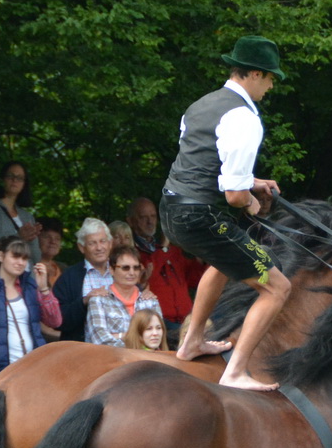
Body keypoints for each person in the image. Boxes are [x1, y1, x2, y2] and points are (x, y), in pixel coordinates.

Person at [157, 37, 296, 389]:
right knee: (277, 287)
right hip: (201, 215)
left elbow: (207, 164)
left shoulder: (202, 105)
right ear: (253, 74)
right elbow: (234, 196)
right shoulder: (245, 118)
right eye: (269, 77)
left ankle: (190, 343)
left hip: (172, 208)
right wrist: (251, 201)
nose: (271, 85)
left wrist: (253, 181)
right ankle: (235, 372)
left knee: (224, 261)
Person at [0, 238, 58, 376]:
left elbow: (55, 321)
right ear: (1, 256)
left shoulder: (30, 286)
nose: (20, 262)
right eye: (15, 256)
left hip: (32, 366)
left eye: (24, 258)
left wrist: (44, 288)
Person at [128, 196, 204, 338]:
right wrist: (163, 249)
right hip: (158, 324)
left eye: (153, 216)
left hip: (186, 320)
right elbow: (149, 276)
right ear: (131, 221)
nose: (150, 222)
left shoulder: (172, 250)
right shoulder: (132, 253)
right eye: (143, 217)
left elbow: (194, 280)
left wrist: (201, 259)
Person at [86, 243, 162, 347]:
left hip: (145, 361)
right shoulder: (98, 300)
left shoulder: (150, 301)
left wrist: (119, 335)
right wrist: (138, 339)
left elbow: (158, 339)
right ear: (111, 270)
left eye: (136, 268)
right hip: (111, 361)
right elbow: (100, 341)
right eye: (125, 268)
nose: (132, 272)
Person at [51, 219, 114, 343]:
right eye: (92, 243)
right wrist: (84, 302)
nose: (99, 247)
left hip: (122, 350)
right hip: (83, 353)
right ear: (81, 247)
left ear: (110, 243)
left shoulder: (122, 270)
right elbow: (57, 320)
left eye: (103, 241)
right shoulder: (69, 276)